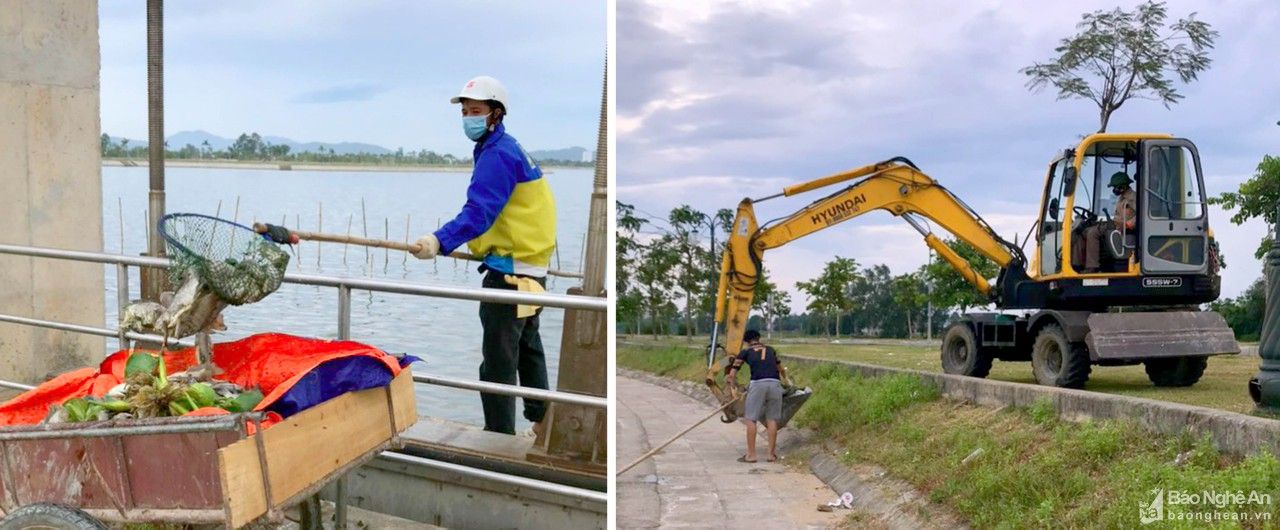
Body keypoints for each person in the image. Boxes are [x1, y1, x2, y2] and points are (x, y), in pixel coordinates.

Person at [412, 76, 557, 435]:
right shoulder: (509, 148)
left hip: (508, 275)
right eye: (464, 112)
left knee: (497, 364)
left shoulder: (497, 155)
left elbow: (478, 213)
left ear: (495, 113)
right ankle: (542, 422)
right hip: (533, 270)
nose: (468, 118)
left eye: (475, 111)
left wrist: (437, 241)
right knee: (528, 348)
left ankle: (499, 438)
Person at [726, 329, 788, 463]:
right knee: (772, 419)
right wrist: (787, 382)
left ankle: (751, 455)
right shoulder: (771, 350)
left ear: (746, 341)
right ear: (758, 338)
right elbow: (781, 369)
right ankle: (771, 455)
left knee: (751, 419)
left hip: (758, 384)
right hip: (775, 384)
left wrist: (733, 388)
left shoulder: (745, 352)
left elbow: (732, 374)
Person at [1080, 171, 1137, 273]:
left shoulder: (1133, 197)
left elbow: (1141, 214)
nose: (1113, 190)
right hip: (1115, 224)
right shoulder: (1121, 198)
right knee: (1085, 230)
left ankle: (1092, 266)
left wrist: (1129, 224)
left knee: (1092, 233)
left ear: (1122, 187)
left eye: (1115, 187)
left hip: (1121, 227)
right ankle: (1078, 264)